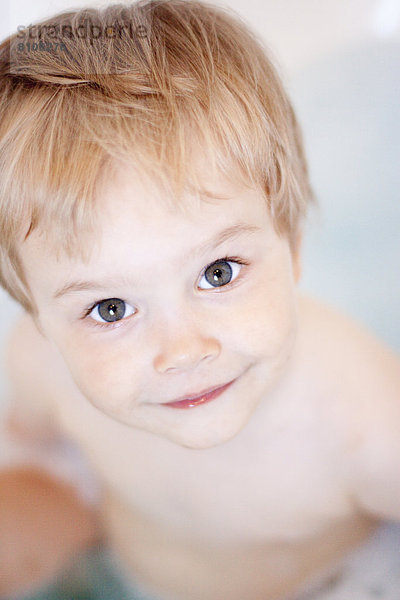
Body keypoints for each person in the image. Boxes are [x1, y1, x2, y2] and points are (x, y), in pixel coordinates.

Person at [0, 1, 399, 599]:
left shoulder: (363, 423)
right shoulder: (39, 362)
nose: (182, 350)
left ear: (291, 246)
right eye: (111, 309)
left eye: (218, 272)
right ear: (38, 315)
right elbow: (32, 452)